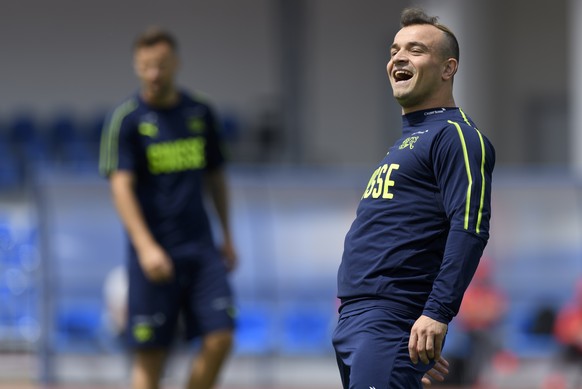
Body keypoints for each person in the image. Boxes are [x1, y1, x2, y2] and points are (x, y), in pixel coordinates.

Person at [332, 7, 495, 389]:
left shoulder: (457, 136)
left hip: (390, 319)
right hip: (358, 321)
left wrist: (435, 315)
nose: (398, 58)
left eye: (415, 50)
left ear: (448, 68)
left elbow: (470, 227)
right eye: (394, 50)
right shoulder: (407, 140)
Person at [99, 27, 237, 389]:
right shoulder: (126, 119)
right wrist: (146, 248)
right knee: (151, 357)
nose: (154, 74)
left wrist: (227, 236)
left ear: (175, 63)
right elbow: (121, 189)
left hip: (202, 249)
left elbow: (217, 178)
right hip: (154, 256)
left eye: (160, 65)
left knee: (221, 336)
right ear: (136, 66)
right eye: (146, 66)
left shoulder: (200, 111)